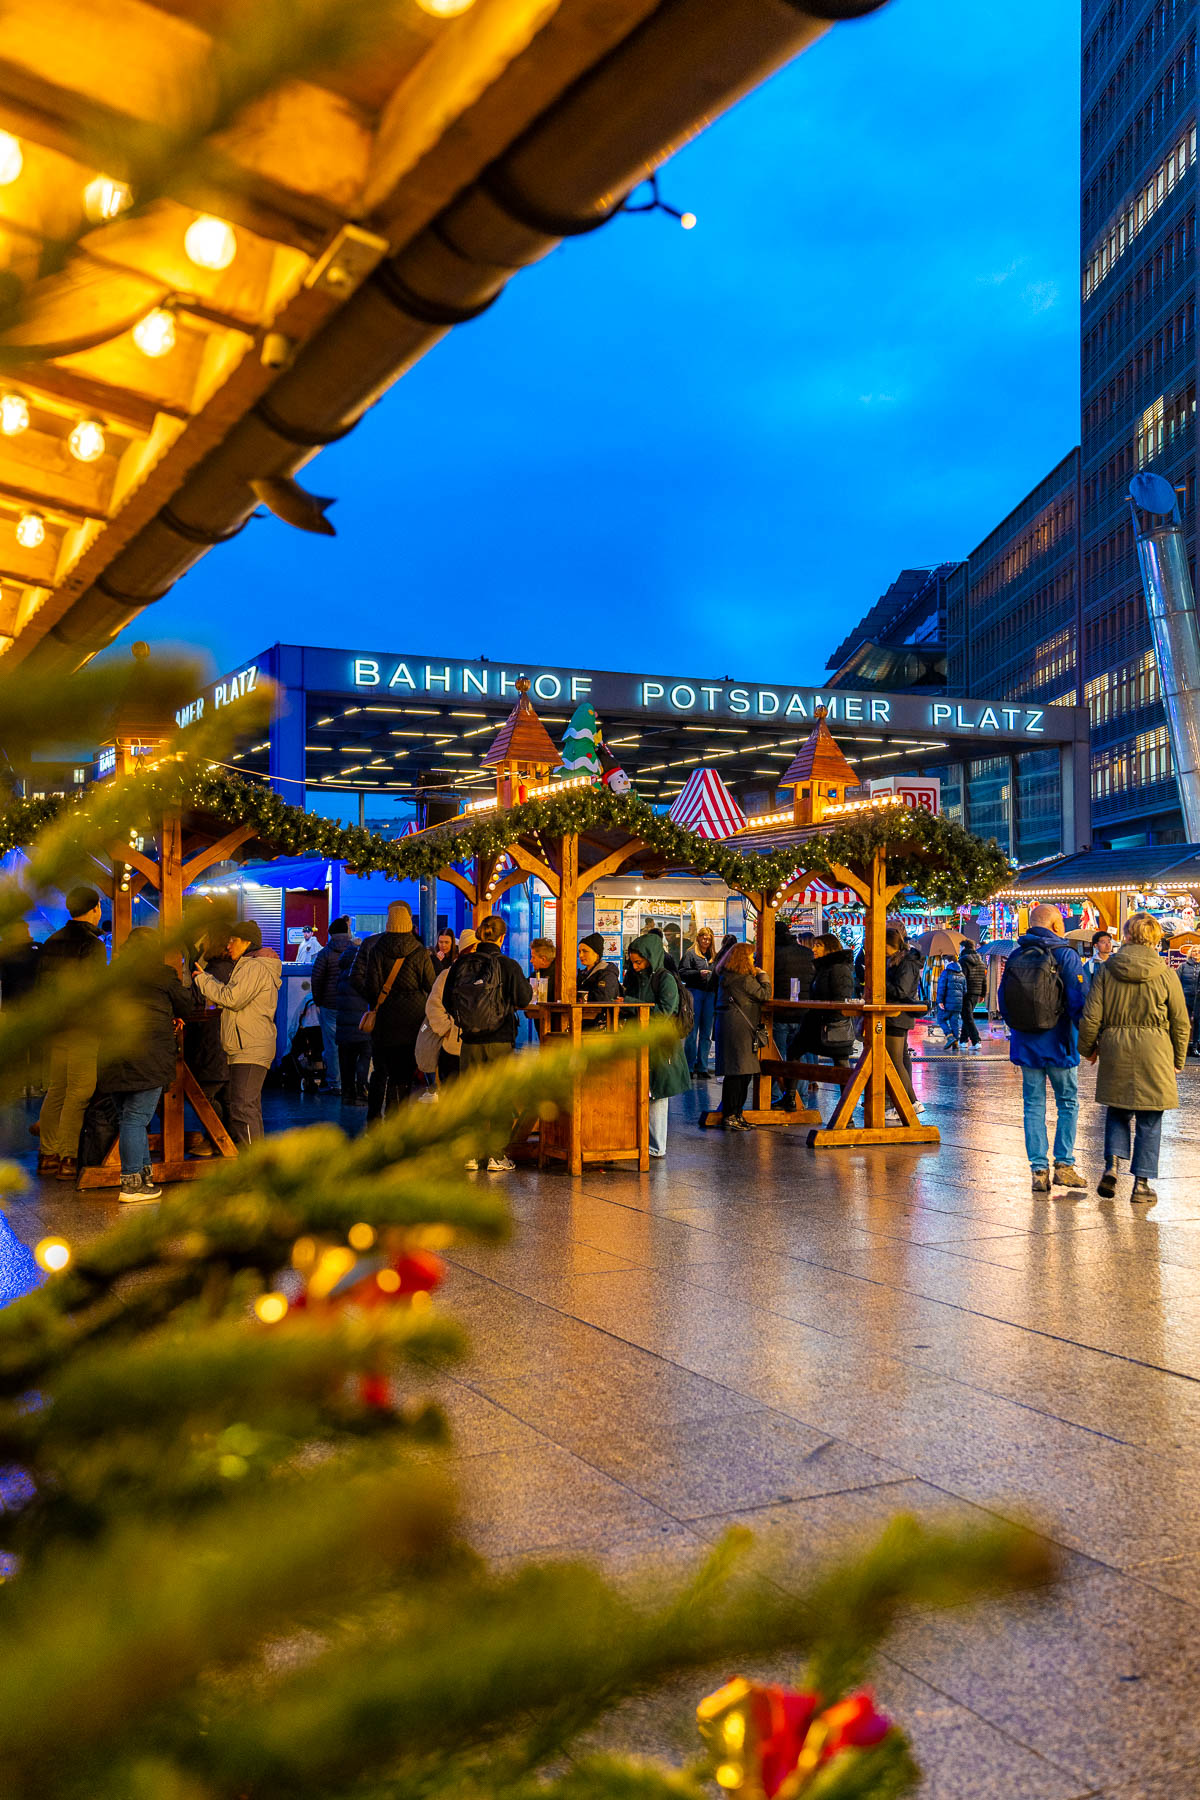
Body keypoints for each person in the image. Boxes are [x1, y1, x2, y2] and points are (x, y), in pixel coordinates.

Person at [1078, 911, 1189, 1203]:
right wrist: (1178, 1059)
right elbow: (1180, 1020)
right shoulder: (1166, 973)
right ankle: (1141, 1184)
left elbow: (1092, 1016)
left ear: (1126, 936)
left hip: (1116, 1047)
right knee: (1151, 1117)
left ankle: (1112, 1166)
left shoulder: (1106, 970)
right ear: (1155, 938)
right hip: (1156, 1049)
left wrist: (1087, 1048)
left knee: (1117, 1110)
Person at [998, 902, 1090, 1193]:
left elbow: (1003, 1000)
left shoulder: (1015, 955)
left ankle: (1038, 1171)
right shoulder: (1066, 955)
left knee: (1033, 1105)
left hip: (1026, 1044)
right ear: (1055, 926)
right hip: (1060, 1043)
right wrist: (1088, 1040)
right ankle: (1064, 1165)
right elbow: (1079, 1002)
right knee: (1067, 1102)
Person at [96, 927, 192, 1202]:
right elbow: (186, 1004)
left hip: (113, 1055)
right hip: (148, 1056)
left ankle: (144, 1177)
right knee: (135, 1119)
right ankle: (132, 1184)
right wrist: (171, 1013)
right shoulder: (162, 975)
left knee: (128, 1119)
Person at [444, 914, 532, 1172]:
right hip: (499, 1040)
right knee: (500, 1096)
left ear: (481, 935)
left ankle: (470, 1154)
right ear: (502, 938)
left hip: (469, 1042)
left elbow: (448, 1000)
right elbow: (524, 999)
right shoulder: (507, 965)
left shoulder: (461, 964)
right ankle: (495, 1155)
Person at [36, 884, 106, 1182]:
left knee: (57, 1089)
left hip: (56, 1026)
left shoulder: (52, 940)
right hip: (83, 1026)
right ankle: (68, 1156)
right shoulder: (92, 944)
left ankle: (47, 1155)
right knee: (80, 1090)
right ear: (96, 909)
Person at [193, 919, 282, 1146]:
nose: (229, 945)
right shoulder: (248, 965)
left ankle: (252, 1166)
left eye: (234, 940)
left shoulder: (254, 967)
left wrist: (203, 980)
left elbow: (232, 999)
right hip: (246, 1044)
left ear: (247, 942)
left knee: (243, 1108)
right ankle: (257, 1163)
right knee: (247, 1107)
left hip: (250, 1046)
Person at [351, 900, 436, 1121]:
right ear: (409, 924)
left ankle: (373, 1121)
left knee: (380, 1071)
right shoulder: (419, 951)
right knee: (403, 1074)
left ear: (388, 923)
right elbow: (431, 985)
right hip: (412, 1021)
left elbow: (371, 988)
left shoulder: (377, 949)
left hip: (384, 1021)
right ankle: (397, 1119)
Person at [622, 931, 690, 1158]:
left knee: (658, 1094)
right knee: (647, 1092)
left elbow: (663, 1013)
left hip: (662, 1046)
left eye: (639, 962)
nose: (636, 966)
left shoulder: (665, 979)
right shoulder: (635, 978)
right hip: (642, 1042)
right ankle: (643, 1141)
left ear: (651, 957)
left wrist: (629, 1004)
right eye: (633, 962)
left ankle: (656, 1145)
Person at [183, 919, 234, 1152]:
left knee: (207, 1094)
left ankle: (218, 1138)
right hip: (225, 1041)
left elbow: (195, 997)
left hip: (212, 1040)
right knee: (224, 1094)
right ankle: (223, 1140)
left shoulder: (214, 970)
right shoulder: (234, 968)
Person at [715, 942, 771, 1131]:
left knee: (737, 1071)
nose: (753, 959)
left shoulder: (726, 975)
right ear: (743, 958)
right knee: (740, 1073)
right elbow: (765, 994)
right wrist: (764, 976)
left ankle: (734, 1114)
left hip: (729, 1025)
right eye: (750, 956)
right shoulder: (745, 979)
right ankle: (732, 1115)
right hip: (741, 1029)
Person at [770, 919, 814, 1112]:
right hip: (803, 1012)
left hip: (779, 1011)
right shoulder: (806, 953)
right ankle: (800, 1096)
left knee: (777, 1056)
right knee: (798, 1055)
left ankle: (776, 1096)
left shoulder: (773, 954)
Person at [422, 927, 477, 1083]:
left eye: (447, 942)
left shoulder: (488, 973)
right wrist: (447, 1030)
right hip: (455, 1046)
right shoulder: (448, 973)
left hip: (474, 1047)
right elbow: (433, 1005)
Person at [883, 926, 926, 1120]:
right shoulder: (897, 960)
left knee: (895, 1061)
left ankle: (911, 1101)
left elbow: (902, 991)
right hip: (894, 1014)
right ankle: (907, 1102)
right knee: (897, 1059)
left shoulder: (907, 963)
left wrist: (881, 984)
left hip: (898, 1015)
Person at [309, 916, 355, 1096]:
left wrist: (318, 1001)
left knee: (332, 1045)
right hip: (351, 1006)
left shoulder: (325, 953)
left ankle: (336, 1083)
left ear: (331, 933)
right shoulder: (356, 951)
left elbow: (317, 978)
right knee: (352, 1044)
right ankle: (353, 1082)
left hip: (329, 1005)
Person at [803, 933, 856, 1077]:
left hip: (834, 1026)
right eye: (814, 945)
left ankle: (848, 1096)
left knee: (841, 1063)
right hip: (820, 1023)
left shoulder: (838, 968)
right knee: (795, 1050)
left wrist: (829, 1016)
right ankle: (790, 1094)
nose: (814, 949)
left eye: (818, 945)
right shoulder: (823, 968)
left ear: (830, 948)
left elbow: (841, 998)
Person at [334, 942, 371, 1104]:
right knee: (364, 1056)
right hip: (362, 1025)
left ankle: (347, 1094)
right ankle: (361, 1090)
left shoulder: (341, 974)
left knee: (346, 1061)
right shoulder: (362, 974)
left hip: (343, 1027)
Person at [679, 925, 718, 1075]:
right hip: (695, 993)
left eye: (708, 938)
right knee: (692, 1032)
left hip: (710, 995)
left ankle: (702, 1066)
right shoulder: (690, 954)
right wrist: (697, 974)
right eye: (703, 937)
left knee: (706, 1033)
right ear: (698, 938)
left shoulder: (715, 955)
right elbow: (681, 972)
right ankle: (689, 1067)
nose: (706, 941)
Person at [578, 932, 621, 1027]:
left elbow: (603, 998)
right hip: (582, 1022)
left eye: (585, 951)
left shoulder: (607, 974)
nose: (581, 955)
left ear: (596, 954)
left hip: (600, 1025)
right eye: (579, 951)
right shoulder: (582, 974)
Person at [958, 940, 986, 1051]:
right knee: (967, 1016)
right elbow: (984, 980)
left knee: (967, 1017)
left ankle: (976, 1040)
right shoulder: (981, 962)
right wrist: (983, 993)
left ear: (964, 948)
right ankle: (963, 1040)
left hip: (966, 992)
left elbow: (962, 978)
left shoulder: (962, 961)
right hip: (976, 992)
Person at [935, 955, 966, 1051]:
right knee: (954, 1022)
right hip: (958, 1003)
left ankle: (950, 1037)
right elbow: (965, 990)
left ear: (949, 962)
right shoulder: (962, 974)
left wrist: (940, 1001)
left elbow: (941, 988)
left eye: (945, 961)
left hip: (947, 1003)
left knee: (941, 1019)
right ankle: (955, 1044)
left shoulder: (946, 973)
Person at [1178, 944, 1200, 1056]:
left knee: (1198, 1023)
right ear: (1190, 953)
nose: (1196, 953)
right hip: (1184, 998)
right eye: (1194, 951)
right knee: (1184, 1024)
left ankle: (1196, 1047)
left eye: (1198, 951)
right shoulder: (1183, 966)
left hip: (1199, 1000)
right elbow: (1176, 982)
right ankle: (1184, 1047)